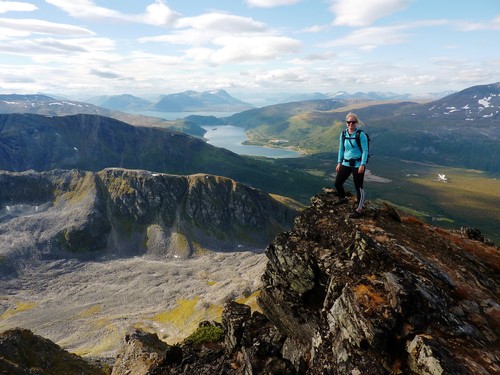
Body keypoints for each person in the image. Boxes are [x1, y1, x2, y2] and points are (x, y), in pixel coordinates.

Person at [333, 112, 369, 218]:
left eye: (353, 122)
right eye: (348, 122)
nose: (350, 124)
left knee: (359, 188)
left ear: (356, 123)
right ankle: (343, 198)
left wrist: (362, 164)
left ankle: (359, 210)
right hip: (346, 162)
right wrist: (339, 162)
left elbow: (365, 150)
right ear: (346, 123)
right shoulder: (343, 134)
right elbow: (341, 149)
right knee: (337, 183)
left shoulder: (360, 134)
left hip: (358, 164)